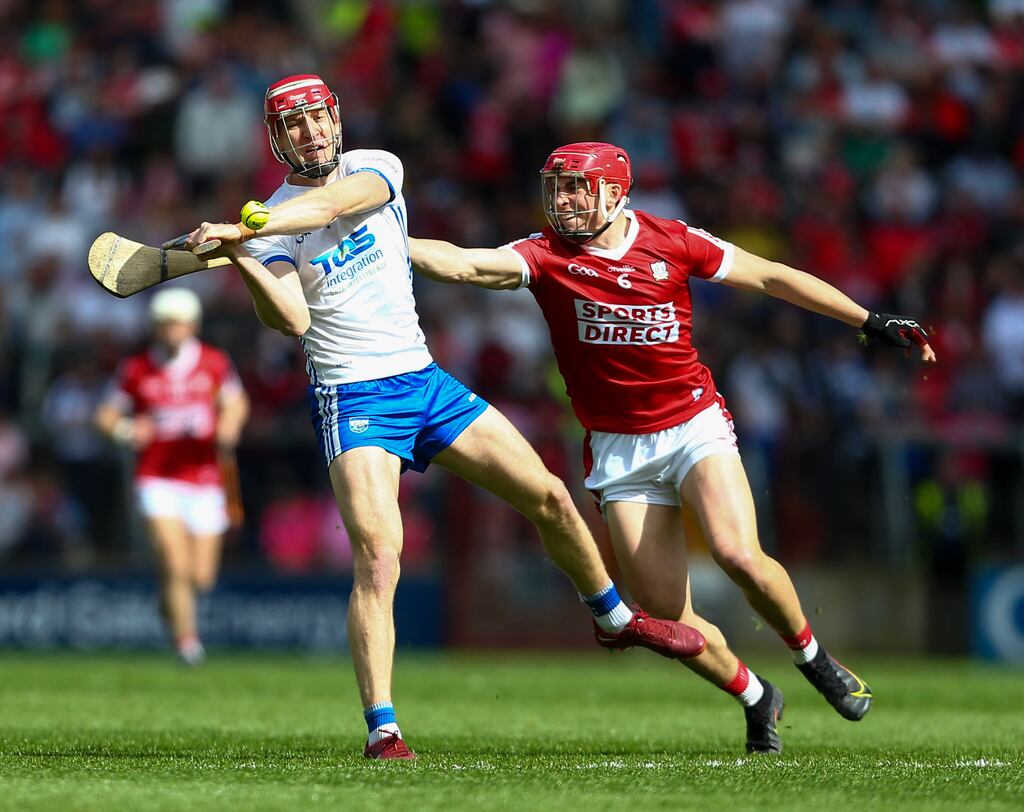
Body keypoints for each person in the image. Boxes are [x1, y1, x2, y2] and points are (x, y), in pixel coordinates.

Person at [183, 77, 705, 760]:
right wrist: (240, 255)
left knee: (549, 497)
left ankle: (613, 617)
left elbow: (338, 202)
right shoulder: (268, 227)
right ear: (276, 140)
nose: (309, 133)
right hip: (354, 397)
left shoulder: (376, 166)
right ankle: (383, 729)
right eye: (293, 125)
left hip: (425, 381)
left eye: (317, 118)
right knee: (379, 558)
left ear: (336, 119)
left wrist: (245, 227)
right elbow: (291, 319)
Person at [408, 142, 938, 754]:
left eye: (578, 188)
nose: (563, 201)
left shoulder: (673, 240)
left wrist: (868, 320)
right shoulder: (545, 254)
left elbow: (772, 276)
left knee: (737, 555)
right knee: (664, 613)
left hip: (692, 424)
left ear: (617, 194)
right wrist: (394, 241)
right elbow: (466, 265)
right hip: (618, 450)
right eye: (557, 188)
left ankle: (814, 659)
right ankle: (755, 695)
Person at [95, 287, 249, 666]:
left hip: (205, 478)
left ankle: (169, 602)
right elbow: (105, 417)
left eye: (180, 324)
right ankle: (187, 643)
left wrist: (229, 426)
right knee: (175, 560)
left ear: (193, 326)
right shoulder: (136, 369)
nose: (174, 331)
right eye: (166, 324)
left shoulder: (213, 363)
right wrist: (127, 431)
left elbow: (236, 402)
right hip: (157, 478)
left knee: (201, 577)